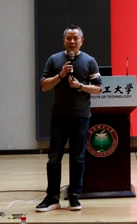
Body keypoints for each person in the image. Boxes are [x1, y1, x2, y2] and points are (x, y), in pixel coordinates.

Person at [35, 24, 103, 212]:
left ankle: (74, 196)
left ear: (82, 41)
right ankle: (52, 198)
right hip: (59, 117)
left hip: (80, 117)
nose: (72, 41)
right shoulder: (54, 60)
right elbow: (44, 86)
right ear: (64, 40)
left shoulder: (89, 61)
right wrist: (61, 75)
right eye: (69, 38)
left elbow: (98, 88)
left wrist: (80, 86)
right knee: (54, 158)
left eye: (76, 38)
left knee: (78, 159)